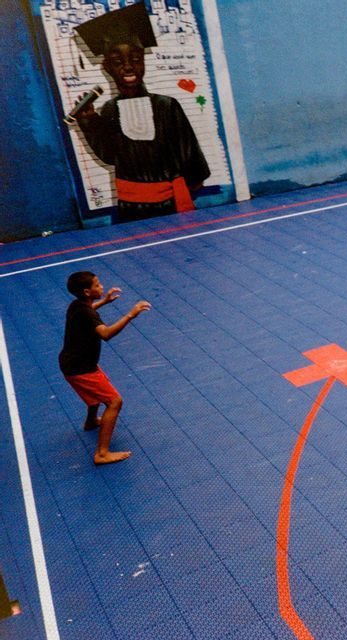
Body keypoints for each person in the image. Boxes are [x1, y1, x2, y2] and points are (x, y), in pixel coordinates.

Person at [71, 3, 210, 223]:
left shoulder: (166, 105)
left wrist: (193, 180)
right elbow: (109, 155)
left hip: (170, 203)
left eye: (135, 59)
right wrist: (89, 121)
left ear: (143, 62)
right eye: (117, 62)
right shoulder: (109, 110)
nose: (128, 67)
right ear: (107, 67)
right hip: (131, 207)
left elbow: (187, 148)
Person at [59, 271, 150, 465]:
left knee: (96, 393)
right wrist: (131, 314)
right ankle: (102, 454)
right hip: (80, 368)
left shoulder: (77, 306)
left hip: (74, 363)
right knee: (114, 401)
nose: (102, 287)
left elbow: (90, 313)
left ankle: (91, 421)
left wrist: (105, 301)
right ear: (87, 291)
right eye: (98, 285)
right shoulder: (88, 313)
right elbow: (106, 334)